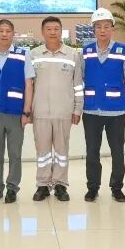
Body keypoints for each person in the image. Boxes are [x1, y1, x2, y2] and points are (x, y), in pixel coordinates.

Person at [0, 19, 34, 204]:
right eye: (1, 31)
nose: (4, 34)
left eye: (8, 31)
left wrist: (27, 111)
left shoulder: (23, 55)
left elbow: (29, 84)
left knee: (15, 153)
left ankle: (12, 188)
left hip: (16, 113)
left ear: (13, 34)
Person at [29, 16, 83, 202]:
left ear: (61, 31)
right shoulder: (33, 55)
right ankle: (43, 185)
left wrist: (77, 109)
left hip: (64, 111)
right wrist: (28, 110)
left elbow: (78, 85)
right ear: (43, 32)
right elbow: (29, 85)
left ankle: (60, 184)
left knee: (61, 151)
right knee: (42, 151)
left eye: (56, 29)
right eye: (49, 29)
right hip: (40, 112)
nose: (53, 32)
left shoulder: (72, 55)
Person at [81, 8, 125, 203]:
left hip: (115, 111)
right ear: (93, 30)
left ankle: (117, 187)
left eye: (106, 27)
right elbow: (82, 77)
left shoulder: (123, 50)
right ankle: (92, 187)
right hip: (91, 110)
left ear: (112, 29)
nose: (102, 30)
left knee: (117, 151)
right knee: (92, 151)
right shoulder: (86, 52)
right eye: (98, 27)